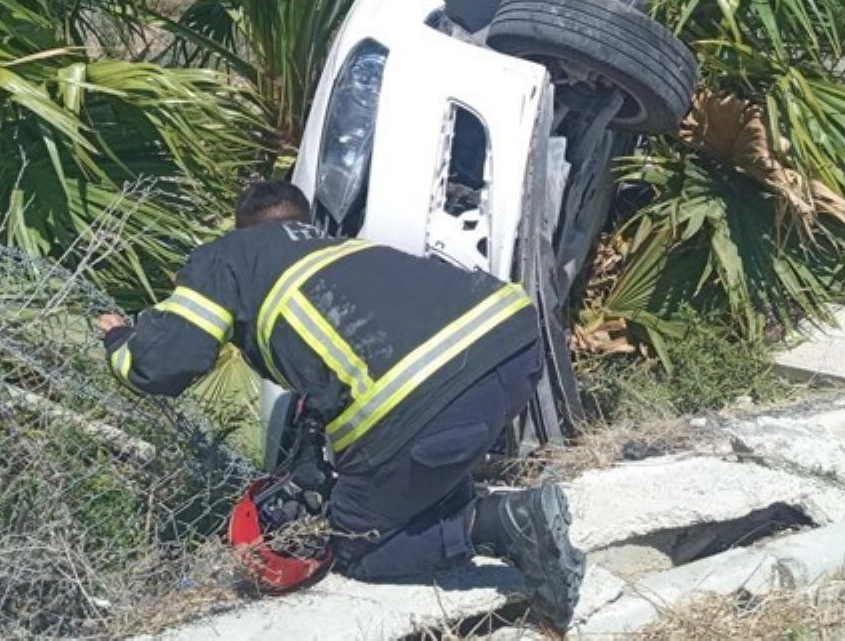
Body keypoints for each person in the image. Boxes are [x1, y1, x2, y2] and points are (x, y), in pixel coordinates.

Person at [97, 180, 585, 628]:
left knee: (359, 548)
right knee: (408, 462)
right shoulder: (344, 249)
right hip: (516, 346)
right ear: (304, 222)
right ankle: (475, 507)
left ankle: (501, 523)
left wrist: (120, 339)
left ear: (242, 229)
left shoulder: (230, 256)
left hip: (428, 400)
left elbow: (166, 364)